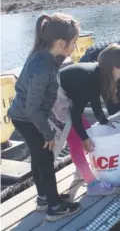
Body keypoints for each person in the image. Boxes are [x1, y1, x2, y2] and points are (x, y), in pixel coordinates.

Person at [8, 13, 81, 222]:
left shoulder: (43, 54)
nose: (75, 47)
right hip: (28, 118)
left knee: (39, 156)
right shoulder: (42, 69)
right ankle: (54, 207)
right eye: (74, 42)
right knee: (46, 158)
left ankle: (43, 198)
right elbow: (33, 110)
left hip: (24, 115)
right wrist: (48, 134)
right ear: (60, 43)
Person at [54, 44, 120, 197]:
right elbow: (75, 113)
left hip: (71, 96)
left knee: (84, 132)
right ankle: (92, 184)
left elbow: (93, 98)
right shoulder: (89, 78)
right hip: (57, 96)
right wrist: (84, 137)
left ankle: (82, 172)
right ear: (114, 68)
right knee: (76, 139)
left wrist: (103, 120)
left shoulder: (99, 74)